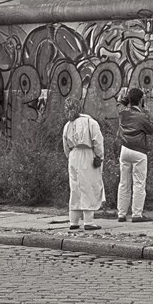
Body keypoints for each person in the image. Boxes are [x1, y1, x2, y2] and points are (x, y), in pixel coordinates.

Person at [62, 97, 106, 231]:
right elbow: (97, 141)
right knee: (89, 186)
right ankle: (88, 221)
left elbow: (65, 146)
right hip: (88, 154)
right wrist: (99, 156)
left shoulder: (68, 125)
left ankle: (73, 221)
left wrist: (71, 157)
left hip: (73, 155)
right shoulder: (90, 122)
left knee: (75, 188)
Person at [117, 88, 153, 223]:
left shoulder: (122, 112)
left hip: (124, 149)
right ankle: (136, 214)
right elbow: (151, 130)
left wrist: (127, 98)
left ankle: (121, 214)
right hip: (139, 151)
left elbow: (119, 104)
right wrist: (145, 112)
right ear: (141, 101)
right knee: (139, 183)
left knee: (124, 183)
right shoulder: (142, 116)